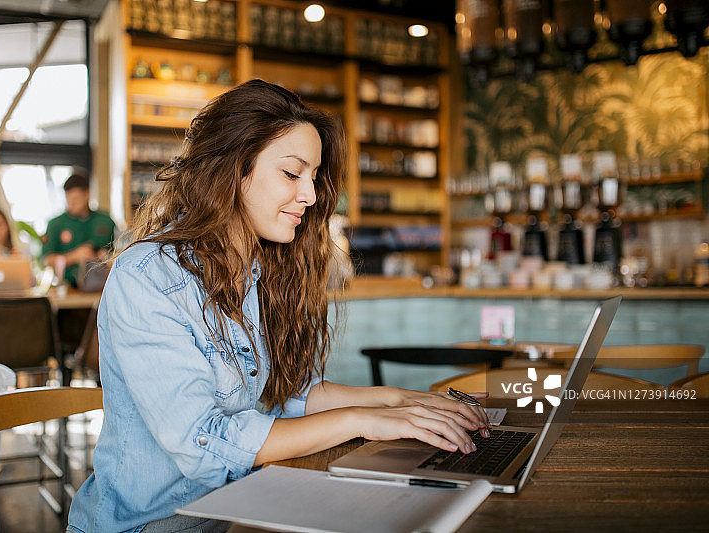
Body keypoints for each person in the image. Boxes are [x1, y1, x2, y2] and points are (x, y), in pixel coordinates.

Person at [66, 79, 490, 533]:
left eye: (312, 178)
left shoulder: (253, 269)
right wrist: (363, 420)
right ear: (232, 169)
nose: (309, 195)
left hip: (235, 510)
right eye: (292, 174)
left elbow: (280, 395)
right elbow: (204, 440)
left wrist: (396, 401)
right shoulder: (147, 278)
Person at [41, 171, 117, 288]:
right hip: (67, 287)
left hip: (101, 287)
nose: (71, 204)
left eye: (75, 199)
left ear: (87, 195)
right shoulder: (55, 224)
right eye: (68, 200)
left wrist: (102, 257)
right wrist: (75, 256)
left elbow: (118, 253)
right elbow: (46, 260)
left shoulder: (105, 221)